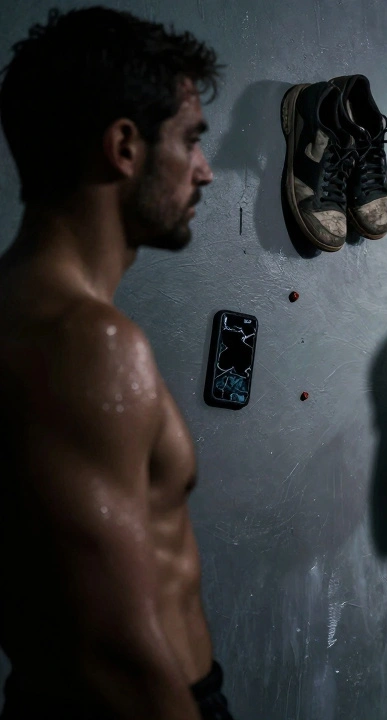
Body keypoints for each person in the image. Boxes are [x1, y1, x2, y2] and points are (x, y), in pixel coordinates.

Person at [0, 8, 233, 720]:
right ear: (124, 146)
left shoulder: (21, 311)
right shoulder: (86, 342)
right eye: (191, 140)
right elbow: (113, 656)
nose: (206, 171)